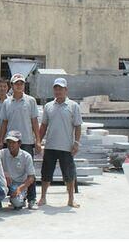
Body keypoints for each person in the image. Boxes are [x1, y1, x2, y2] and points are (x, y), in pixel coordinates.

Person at [0, 74, 41, 208]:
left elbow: (34, 121)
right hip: (10, 140)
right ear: (12, 85)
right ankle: (6, 196)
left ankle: (31, 199)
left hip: (26, 140)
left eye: (21, 83)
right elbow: (4, 122)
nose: (19, 86)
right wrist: (0, 141)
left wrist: (38, 140)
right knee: (5, 169)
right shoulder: (7, 102)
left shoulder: (31, 101)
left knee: (29, 171)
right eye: (16, 83)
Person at [38, 77, 82, 208]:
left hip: (66, 147)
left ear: (66, 90)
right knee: (46, 173)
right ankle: (43, 197)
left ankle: (71, 199)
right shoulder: (48, 106)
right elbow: (44, 126)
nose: (58, 91)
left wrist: (76, 143)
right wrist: (38, 141)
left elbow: (78, 126)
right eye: (56, 88)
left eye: (60, 88)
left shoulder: (73, 106)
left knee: (69, 174)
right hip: (50, 145)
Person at [0, 130, 36, 210]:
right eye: (8, 142)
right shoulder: (1, 153)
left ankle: (21, 199)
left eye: (13, 142)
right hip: (4, 183)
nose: (10, 145)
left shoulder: (26, 157)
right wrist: (4, 173)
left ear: (19, 143)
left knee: (18, 204)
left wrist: (20, 189)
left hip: (19, 184)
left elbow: (31, 177)